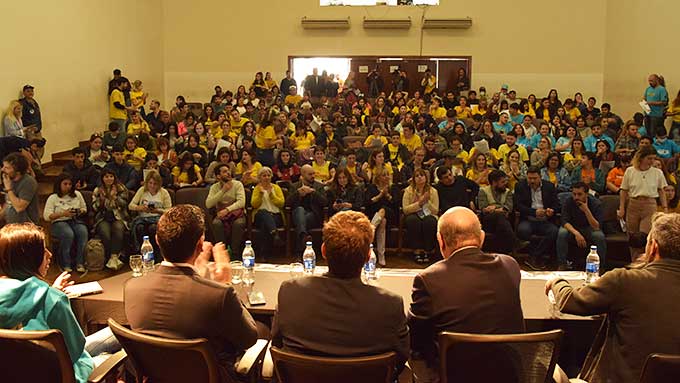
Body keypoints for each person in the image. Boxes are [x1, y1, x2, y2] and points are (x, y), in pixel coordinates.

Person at [124, 205, 259, 382]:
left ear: (157, 240)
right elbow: (249, 339)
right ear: (200, 245)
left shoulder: (132, 287)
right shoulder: (219, 294)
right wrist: (224, 284)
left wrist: (197, 274)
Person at [271, 211, 409, 376]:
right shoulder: (390, 305)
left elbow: (277, 343)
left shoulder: (289, 291)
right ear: (368, 258)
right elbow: (400, 360)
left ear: (323, 251)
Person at [548, 212, 680, 383]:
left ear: (653, 246)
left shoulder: (624, 281)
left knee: (552, 370)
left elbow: (570, 301)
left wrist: (556, 281)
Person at [408, 206, 524, 382]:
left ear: (440, 241)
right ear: (482, 238)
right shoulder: (510, 266)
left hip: (455, 377)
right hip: (509, 376)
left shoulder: (428, 279)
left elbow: (414, 337)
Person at [0, 223, 121, 383]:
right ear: (29, 259)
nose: (50, 254)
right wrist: (52, 295)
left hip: (17, 374)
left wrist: (51, 290)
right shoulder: (52, 299)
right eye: (42, 251)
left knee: (114, 334)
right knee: (120, 341)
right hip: (62, 374)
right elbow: (75, 349)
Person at [618, 146, 668, 258]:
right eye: (649, 158)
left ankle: (644, 263)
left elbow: (661, 191)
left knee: (645, 237)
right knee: (633, 238)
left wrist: (665, 208)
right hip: (633, 204)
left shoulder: (657, 172)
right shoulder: (630, 171)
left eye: (653, 158)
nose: (652, 161)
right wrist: (622, 208)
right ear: (641, 158)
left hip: (649, 205)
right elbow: (624, 190)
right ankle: (634, 262)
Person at [515, 167, 560, 270]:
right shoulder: (520, 186)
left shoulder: (549, 186)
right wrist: (534, 212)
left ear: (540, 177)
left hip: (545, 220)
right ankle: (536, 256)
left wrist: (551, 210)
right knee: (522, 231)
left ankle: (535, 256)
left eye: (534, 178)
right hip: (528, 218)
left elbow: (557, 204)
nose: (532, 181)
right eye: (529, 178)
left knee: (554, 232)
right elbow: (518, 205)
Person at [43, 173, 88, 272]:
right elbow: (47, 216)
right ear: (59, 184)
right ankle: (65, 264)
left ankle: (80, 262)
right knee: (68, 234)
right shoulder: (53, 198)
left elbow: (84, 208)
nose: (68, 186)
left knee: (82, 232)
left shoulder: (77, 194)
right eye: (65, 184)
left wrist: (79, 211)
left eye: (70, 184)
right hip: (59, 222)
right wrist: (63, 213)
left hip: (75, 220)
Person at [557, 182, 607, 270]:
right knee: (562, 232)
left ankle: (600, 267)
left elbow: (596, 227)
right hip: (573, 228)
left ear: (586, 194)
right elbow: (564, 221)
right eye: (574, 194)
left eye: (579, 194)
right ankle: (562, 264)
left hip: (589, 228)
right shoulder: (568, 201)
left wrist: (586, 210)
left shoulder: (595, 203)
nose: (576, 197)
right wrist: (576, 233)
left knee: (599, 236)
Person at [206, 164, 246, 258]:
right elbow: (208, 204)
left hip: (236, 214)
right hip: (220, 214)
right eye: (224, 172)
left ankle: (235, 253)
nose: (228, 173)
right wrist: (223, 191)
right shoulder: (214, 187)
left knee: (238, 224)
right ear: (218, 176)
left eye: (228, 171)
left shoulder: (238, 184)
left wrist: (227, 210)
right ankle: (222, 254)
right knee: (216, 223)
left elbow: (241, 202)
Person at [128, 170, 172, 255]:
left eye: (155, 184)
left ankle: (156, 254)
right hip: (143, 217)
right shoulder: (141, 190)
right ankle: (142, 252)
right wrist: (140, 208)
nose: (152, 186)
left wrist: (157, 210)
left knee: (153, 228)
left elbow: (169, 210)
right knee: (139, 227)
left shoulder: (164, 192)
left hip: (157, 218)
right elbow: (131, 206)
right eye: (150, 183)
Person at [92, 169, 129, 270]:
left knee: (118, 229)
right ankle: (112, 257)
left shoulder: (121, 188)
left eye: (111, 176)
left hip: (118, 217)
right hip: (103, 218)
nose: (109, 179)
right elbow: (94, 207)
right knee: (105, 232)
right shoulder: (97, 190)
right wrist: (103, 200)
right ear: (102, 178)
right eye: (106, 177)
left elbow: (124, 204)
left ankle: (113, 257)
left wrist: (114, 198)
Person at [287, 164, 328, 254]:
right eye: (310, 174)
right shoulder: (294, 186)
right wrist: (297, 194)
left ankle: (302, 240)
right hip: (296, 215)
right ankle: (304, 236)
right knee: (300, 210)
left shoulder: (319, 186)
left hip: (314, 216)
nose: (313, 176)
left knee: (301, 222)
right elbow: (287, 203)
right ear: (303, 175)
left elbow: (325, 202)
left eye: (313, 174)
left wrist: (314, 193)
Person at [403, 168, 439, 263]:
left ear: (426, 178)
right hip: (413, 214)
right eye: (417, 176)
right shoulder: (408, 190)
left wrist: (427, 202)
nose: (419, 178)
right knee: (413, 221)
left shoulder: (433, 191)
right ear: (414, 179)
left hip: (429, 214)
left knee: (430, 222)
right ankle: (416, 251)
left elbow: (435, 210)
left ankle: (427, 250)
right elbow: (405, 209)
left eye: (422, 175)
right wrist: (419, 204)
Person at [477, 170, 515, 254]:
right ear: (494, 182)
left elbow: (508, 208)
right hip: (488, 220)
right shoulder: (483, 191)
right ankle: (512, 243)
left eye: (505, 181)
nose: (505, 183)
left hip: (504, 219)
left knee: (501, 219)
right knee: (500, 217)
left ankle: (501, 250)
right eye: (502, 182)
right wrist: (499, 209)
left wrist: (493, 208)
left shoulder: (508, 192)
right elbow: (483, 208)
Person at [251, 166, 285, 258]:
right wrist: (261, 194)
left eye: (268, 175)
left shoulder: (276, 188)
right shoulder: (257, 189)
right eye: (264, 176)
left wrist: (271, 195)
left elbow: (281, 203)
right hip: (260, 216)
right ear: (260, 178)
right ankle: (275, 234)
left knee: (265, 225)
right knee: (263, 212)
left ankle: (264, 254)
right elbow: (254, 204)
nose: (266, 177)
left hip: (275, 216)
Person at [1, 152, 39, 224]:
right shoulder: (9, 180)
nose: (3, 170)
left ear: (18, 172)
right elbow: (9, 203)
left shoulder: (28, 182)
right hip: (12, 226)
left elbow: (19, 207)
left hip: (26, 228)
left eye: (7, 168)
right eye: (3, 166)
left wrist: (9, 189)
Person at [643, 74, 669, 138]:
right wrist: (643, 101)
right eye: (649, 81)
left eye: (651, 81)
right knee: (647, 133)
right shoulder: (648, 89)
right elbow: (644, 98)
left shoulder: (662, 90)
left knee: (653, 133)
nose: (650, 83)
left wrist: (651, 103)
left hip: (656, 115)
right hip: (647, 114)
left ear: (657, 80)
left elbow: (664, 102)